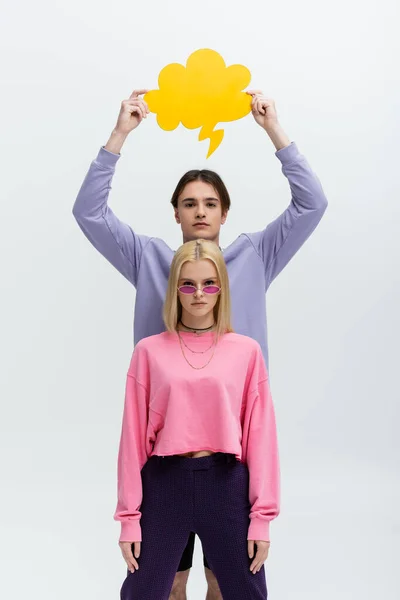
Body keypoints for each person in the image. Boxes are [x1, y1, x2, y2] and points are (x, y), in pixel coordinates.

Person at [73, 89, 328, 600]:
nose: (200, 212)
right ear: (175, 214)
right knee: (169, 580)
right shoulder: (149, 259)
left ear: (225, 213)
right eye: (189, 203)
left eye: (211, 203)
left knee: (225, 580)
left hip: (233, 445)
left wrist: (273, 130)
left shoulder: (256, 256)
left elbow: (312, 204)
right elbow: (90, 214)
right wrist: (119, 135)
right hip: (166, 450)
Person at [115, 239, 279, 600]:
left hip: (226, 485)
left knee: (246, 592)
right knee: (143, 592)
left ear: (222, 288)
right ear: (175, 289)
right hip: (164, 486)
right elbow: (131, 440)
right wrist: (129, 519)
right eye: (188, 284)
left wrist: (261, 517)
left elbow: (260, 437)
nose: (199, 294)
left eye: (209, 284)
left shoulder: (246, 352)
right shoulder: (149, 351)